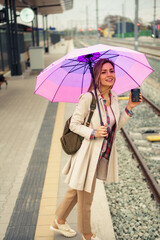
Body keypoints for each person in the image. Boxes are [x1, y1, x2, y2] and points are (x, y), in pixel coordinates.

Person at [50, 59, 142, 240]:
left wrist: (130, 108)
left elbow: (114, 127)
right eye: (104, 72)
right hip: (87, 156)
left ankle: (58, 221)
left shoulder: (113, 97)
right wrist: (93, 132)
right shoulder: (88, 98)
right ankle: (87, 235)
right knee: (86, 199)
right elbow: (75, 125)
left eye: (111, 71)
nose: (109, 75)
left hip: (101, 155)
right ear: (97, 76)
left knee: (76, 190)